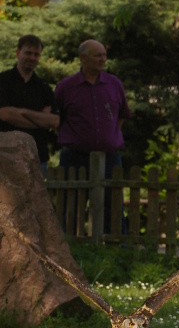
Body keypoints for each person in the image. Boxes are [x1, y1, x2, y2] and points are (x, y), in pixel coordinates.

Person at [55, 39, 132, 233]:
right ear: (83, 58)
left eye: (104, 55)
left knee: (113, 205)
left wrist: (109, 136)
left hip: (110, 157)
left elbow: (122, 115)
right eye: (98, 55)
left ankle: (115, 251)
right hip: (75, 157)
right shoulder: (66, 87)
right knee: (70, 205)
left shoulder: (114, 84)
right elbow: (57, 119)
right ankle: (69, 249)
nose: (102, 59)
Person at [0, 34, 60, 176]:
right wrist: (40, 120)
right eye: (28, 53)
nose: (32, 58)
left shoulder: (44, 88)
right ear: (18, 52)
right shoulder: (2, 82)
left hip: (37, 157)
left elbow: (55, 121)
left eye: (36, 54)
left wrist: (22, 112)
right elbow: (5, 115)